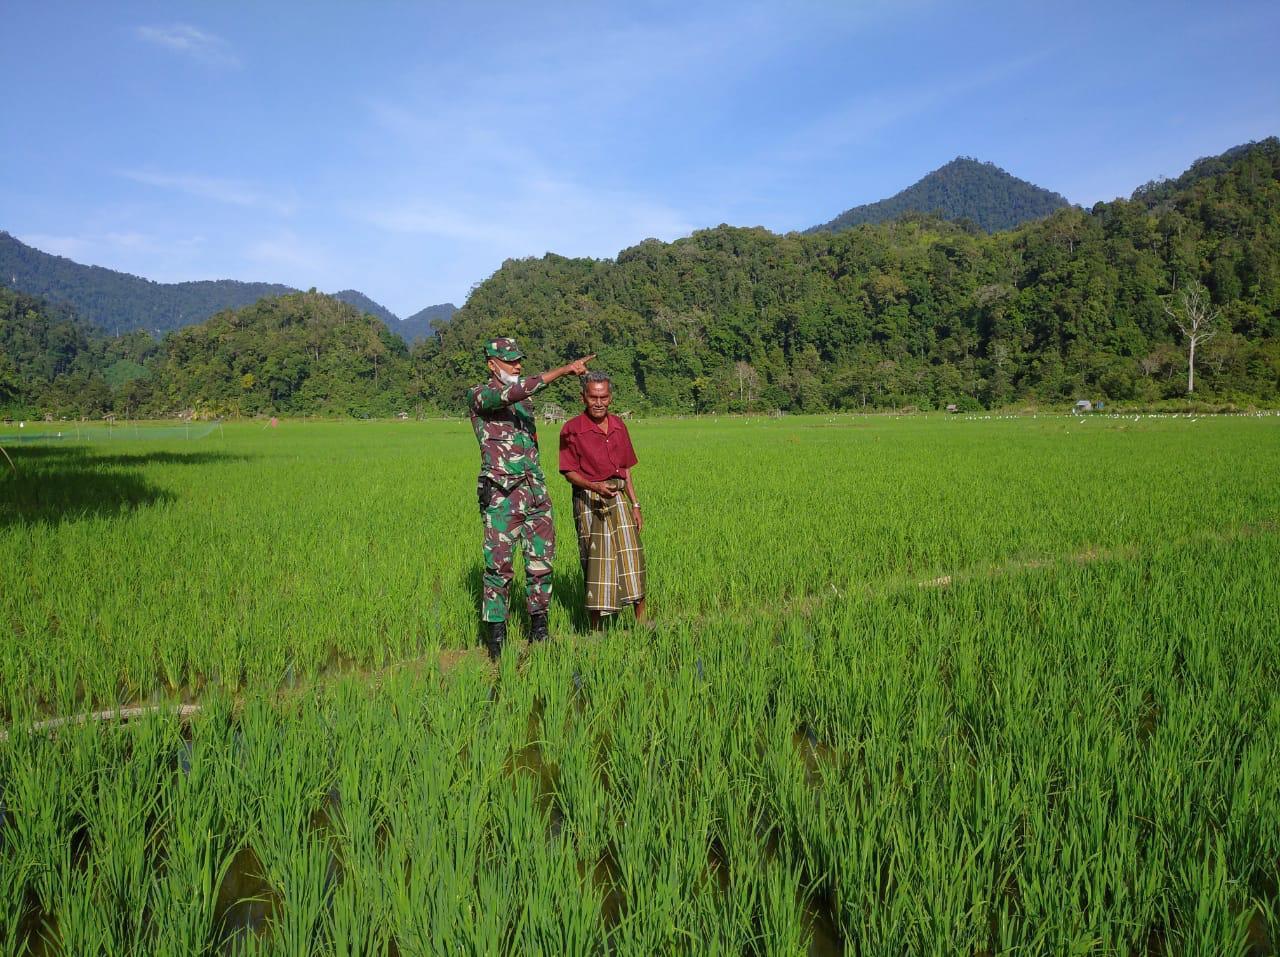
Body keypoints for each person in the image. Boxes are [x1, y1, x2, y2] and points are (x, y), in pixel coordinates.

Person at [468, 337, 594, 660]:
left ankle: (539, 631)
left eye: (518, 360)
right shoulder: (481, 396)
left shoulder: (524, 405)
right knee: (498, 569)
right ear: (492, 364)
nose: (517, 365)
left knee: (541, 565)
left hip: (534, 492)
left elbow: (529, 436)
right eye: (510, 361)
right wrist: (565, 370)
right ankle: (497, 644)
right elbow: (518, 389)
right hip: (501, 496)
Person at [558, 372, 647, 628]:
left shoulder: (619, 425)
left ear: (610, 398)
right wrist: (594, 486)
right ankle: (595, 628)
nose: (598, 402)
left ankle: (641, 620)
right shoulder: (571, 429)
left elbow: (626, 468)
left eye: (603, 397)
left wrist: (635, 504)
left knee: (632, 556)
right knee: (595, 561)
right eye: (593, 397)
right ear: (583, 397)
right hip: (588, 498)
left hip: (617, 496)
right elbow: (568, 471)